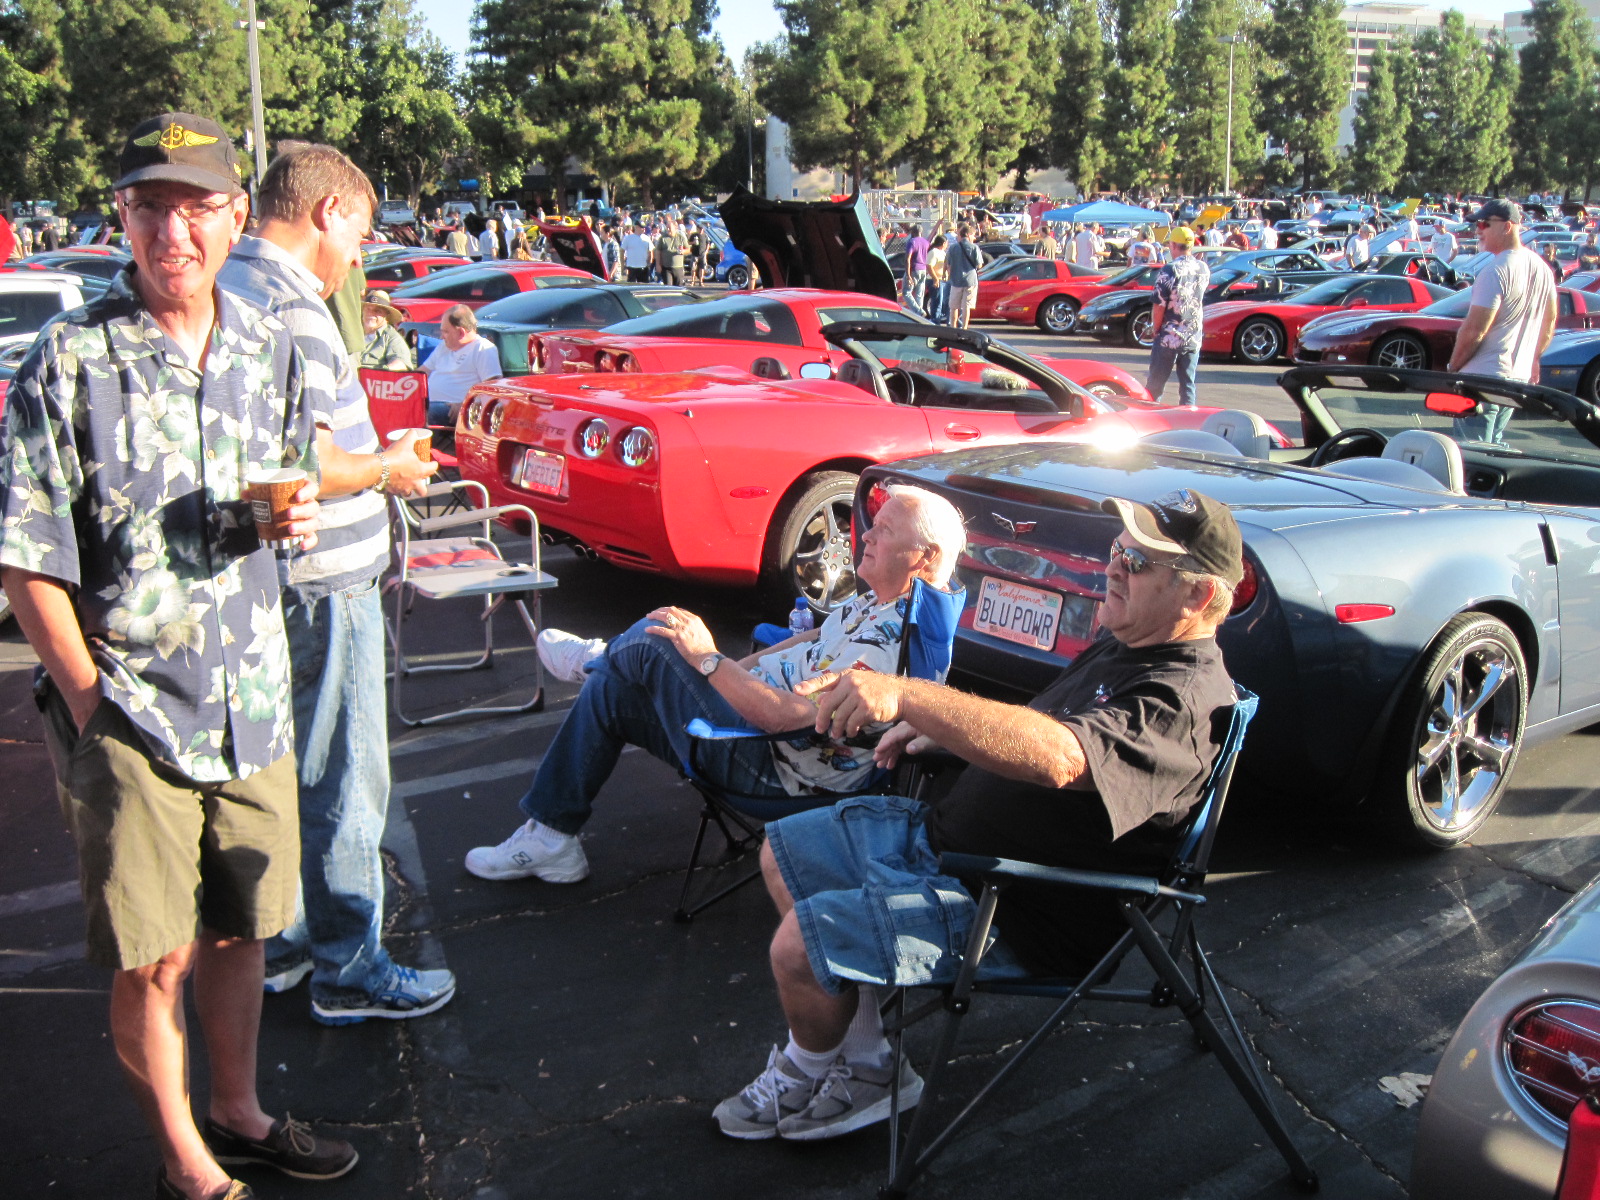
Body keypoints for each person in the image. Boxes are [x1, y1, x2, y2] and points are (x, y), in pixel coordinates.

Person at [0, 111, 356, 1198]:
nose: (173, 230)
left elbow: (309, 466)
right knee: (153, 956)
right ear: (124, 216)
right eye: (150, 206)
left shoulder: (268, 341)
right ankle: (185, 1161)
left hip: (250, 694)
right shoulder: (71, 358)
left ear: (235, 216)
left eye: (196, 206)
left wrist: (298, 512)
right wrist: (90, 701)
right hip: (132, 713)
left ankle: (238, 1111)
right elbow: (25, 558)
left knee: (242, 929)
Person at [713, 490, 1244, 1141]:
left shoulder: (1180, 700)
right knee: (784, 855)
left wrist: (912, 696)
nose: (1114, 566)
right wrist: (939, 732)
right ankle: (869, 1063)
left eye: (1138, 561)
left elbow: (1061, 756)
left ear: (1196, 597)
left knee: (798, 948)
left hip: (1014, 903)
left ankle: (809, 1065)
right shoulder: (1129, 643)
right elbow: (1043, 724)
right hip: (949, 844)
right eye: (1118, 549)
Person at [218, 145, 449, 1029]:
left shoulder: (240, 285)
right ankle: (350, 967)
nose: (361, 253)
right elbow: (302, 459)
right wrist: (387, 465)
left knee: (288, 770)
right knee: (348, 780)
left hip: (286, 579)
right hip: (324, 581)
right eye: (359, 228)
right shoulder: (286, 302)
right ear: (325, 212)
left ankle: (286, 945)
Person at [463, 486, 968, 885]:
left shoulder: (886, 648)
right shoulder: (877, 600)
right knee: (616, 688)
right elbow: (813, 637)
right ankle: (552, 835)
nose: (868, 535)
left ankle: (601, 656)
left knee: (658, 639)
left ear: (924, 558)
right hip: (744, 724)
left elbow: (793, 720)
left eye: (884, 530)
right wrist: (734, 667)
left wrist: (707, 661)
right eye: (872, 525)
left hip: (771, 764)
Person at [1449, 199, 1557, 443]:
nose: (1478, 230)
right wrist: (1533, 358)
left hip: (1482, 380)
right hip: (1515, 380)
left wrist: (1453, 366)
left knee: (1472, 455)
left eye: (1485, 224)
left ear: (1507, 227)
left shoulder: (1496, 270)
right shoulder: (1542, 269)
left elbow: (1475, 329)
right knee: (1494, 451)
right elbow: (1548, 325)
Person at [1146, 225, 1209, 407]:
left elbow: (1159, 305)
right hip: (1193, 334)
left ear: (1173, 245)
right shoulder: (1203, 268)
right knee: (1188, 385)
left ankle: (1149, 421)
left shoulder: (1170, 269)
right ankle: (1188, 421)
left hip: (1169, 334)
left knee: (1155, 386)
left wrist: (1155, 329)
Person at [422, 303, 502, 424]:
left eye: (446, 332)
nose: (441, 336)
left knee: (421, 412)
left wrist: (465, 404)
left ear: (461, 332)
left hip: (454, 408)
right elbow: (422, 372)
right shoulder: (444, 346)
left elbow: (493, 389)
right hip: (429, 402)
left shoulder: (483, 349)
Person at [944, 224, 985, 330]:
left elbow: (948, 264)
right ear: (968, 234)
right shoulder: (974, 247)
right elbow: (979, 265)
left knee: (954, 306)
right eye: (973, 235)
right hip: (970, 280)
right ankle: (964, 327)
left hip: (956, 280)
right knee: (966, 306)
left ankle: (953, 327)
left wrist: (948, 274)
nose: (974, 238)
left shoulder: (953, 248)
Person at [359, 292, 412, 370]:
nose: (370, 313)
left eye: (377, 311)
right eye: (368, 309)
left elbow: (401, 364)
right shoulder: (354, 332)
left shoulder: (392, 338)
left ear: (386, 316)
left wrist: (381, 371)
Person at [902, 223, 930, 318]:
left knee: (906, 292)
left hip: (914, 269)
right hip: (923, 269)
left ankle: (918, 311)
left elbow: (908, 258)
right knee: (919, 294)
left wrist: (908, 274)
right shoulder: (926, 242)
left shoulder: (912, 242)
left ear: (913, 232)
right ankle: (919, 316)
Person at [656, 216, 690, 286]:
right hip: (666, 267)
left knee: (678, 288)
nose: (668, 229)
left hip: (678, 267)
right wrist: (658, 265)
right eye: (667, 227)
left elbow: (689, 249)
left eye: (670, 228)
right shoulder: (663, 238)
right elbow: (658, 251)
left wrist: (683, 251)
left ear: (675, 228)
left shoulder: (680, 237)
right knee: (668, 287)